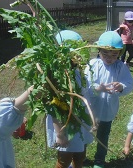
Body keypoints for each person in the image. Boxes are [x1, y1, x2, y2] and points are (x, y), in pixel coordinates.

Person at [84, 31, 133, 168]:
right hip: (90, 107)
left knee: (103, 135)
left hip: (107, 109)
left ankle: (99, 159)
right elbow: (85, 84)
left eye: (114, 54)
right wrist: (98, 88)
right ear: (99, 51)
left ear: (119, 53)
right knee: (85, 131)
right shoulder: (93, 64)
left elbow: (129, 83)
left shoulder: (120, 67)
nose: (109, 58)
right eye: (105, 53)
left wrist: (121, 86)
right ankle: (80, 154)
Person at [46, 30, 93, 168]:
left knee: (80, 155)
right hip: (65, 126)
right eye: (72, 55)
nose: (76, 58)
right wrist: (60, 134)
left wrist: (91, 117)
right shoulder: (57, 78)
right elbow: (54, 107)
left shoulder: (78, 72)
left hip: (81, 121)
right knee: (64, 160)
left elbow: (87, 96)